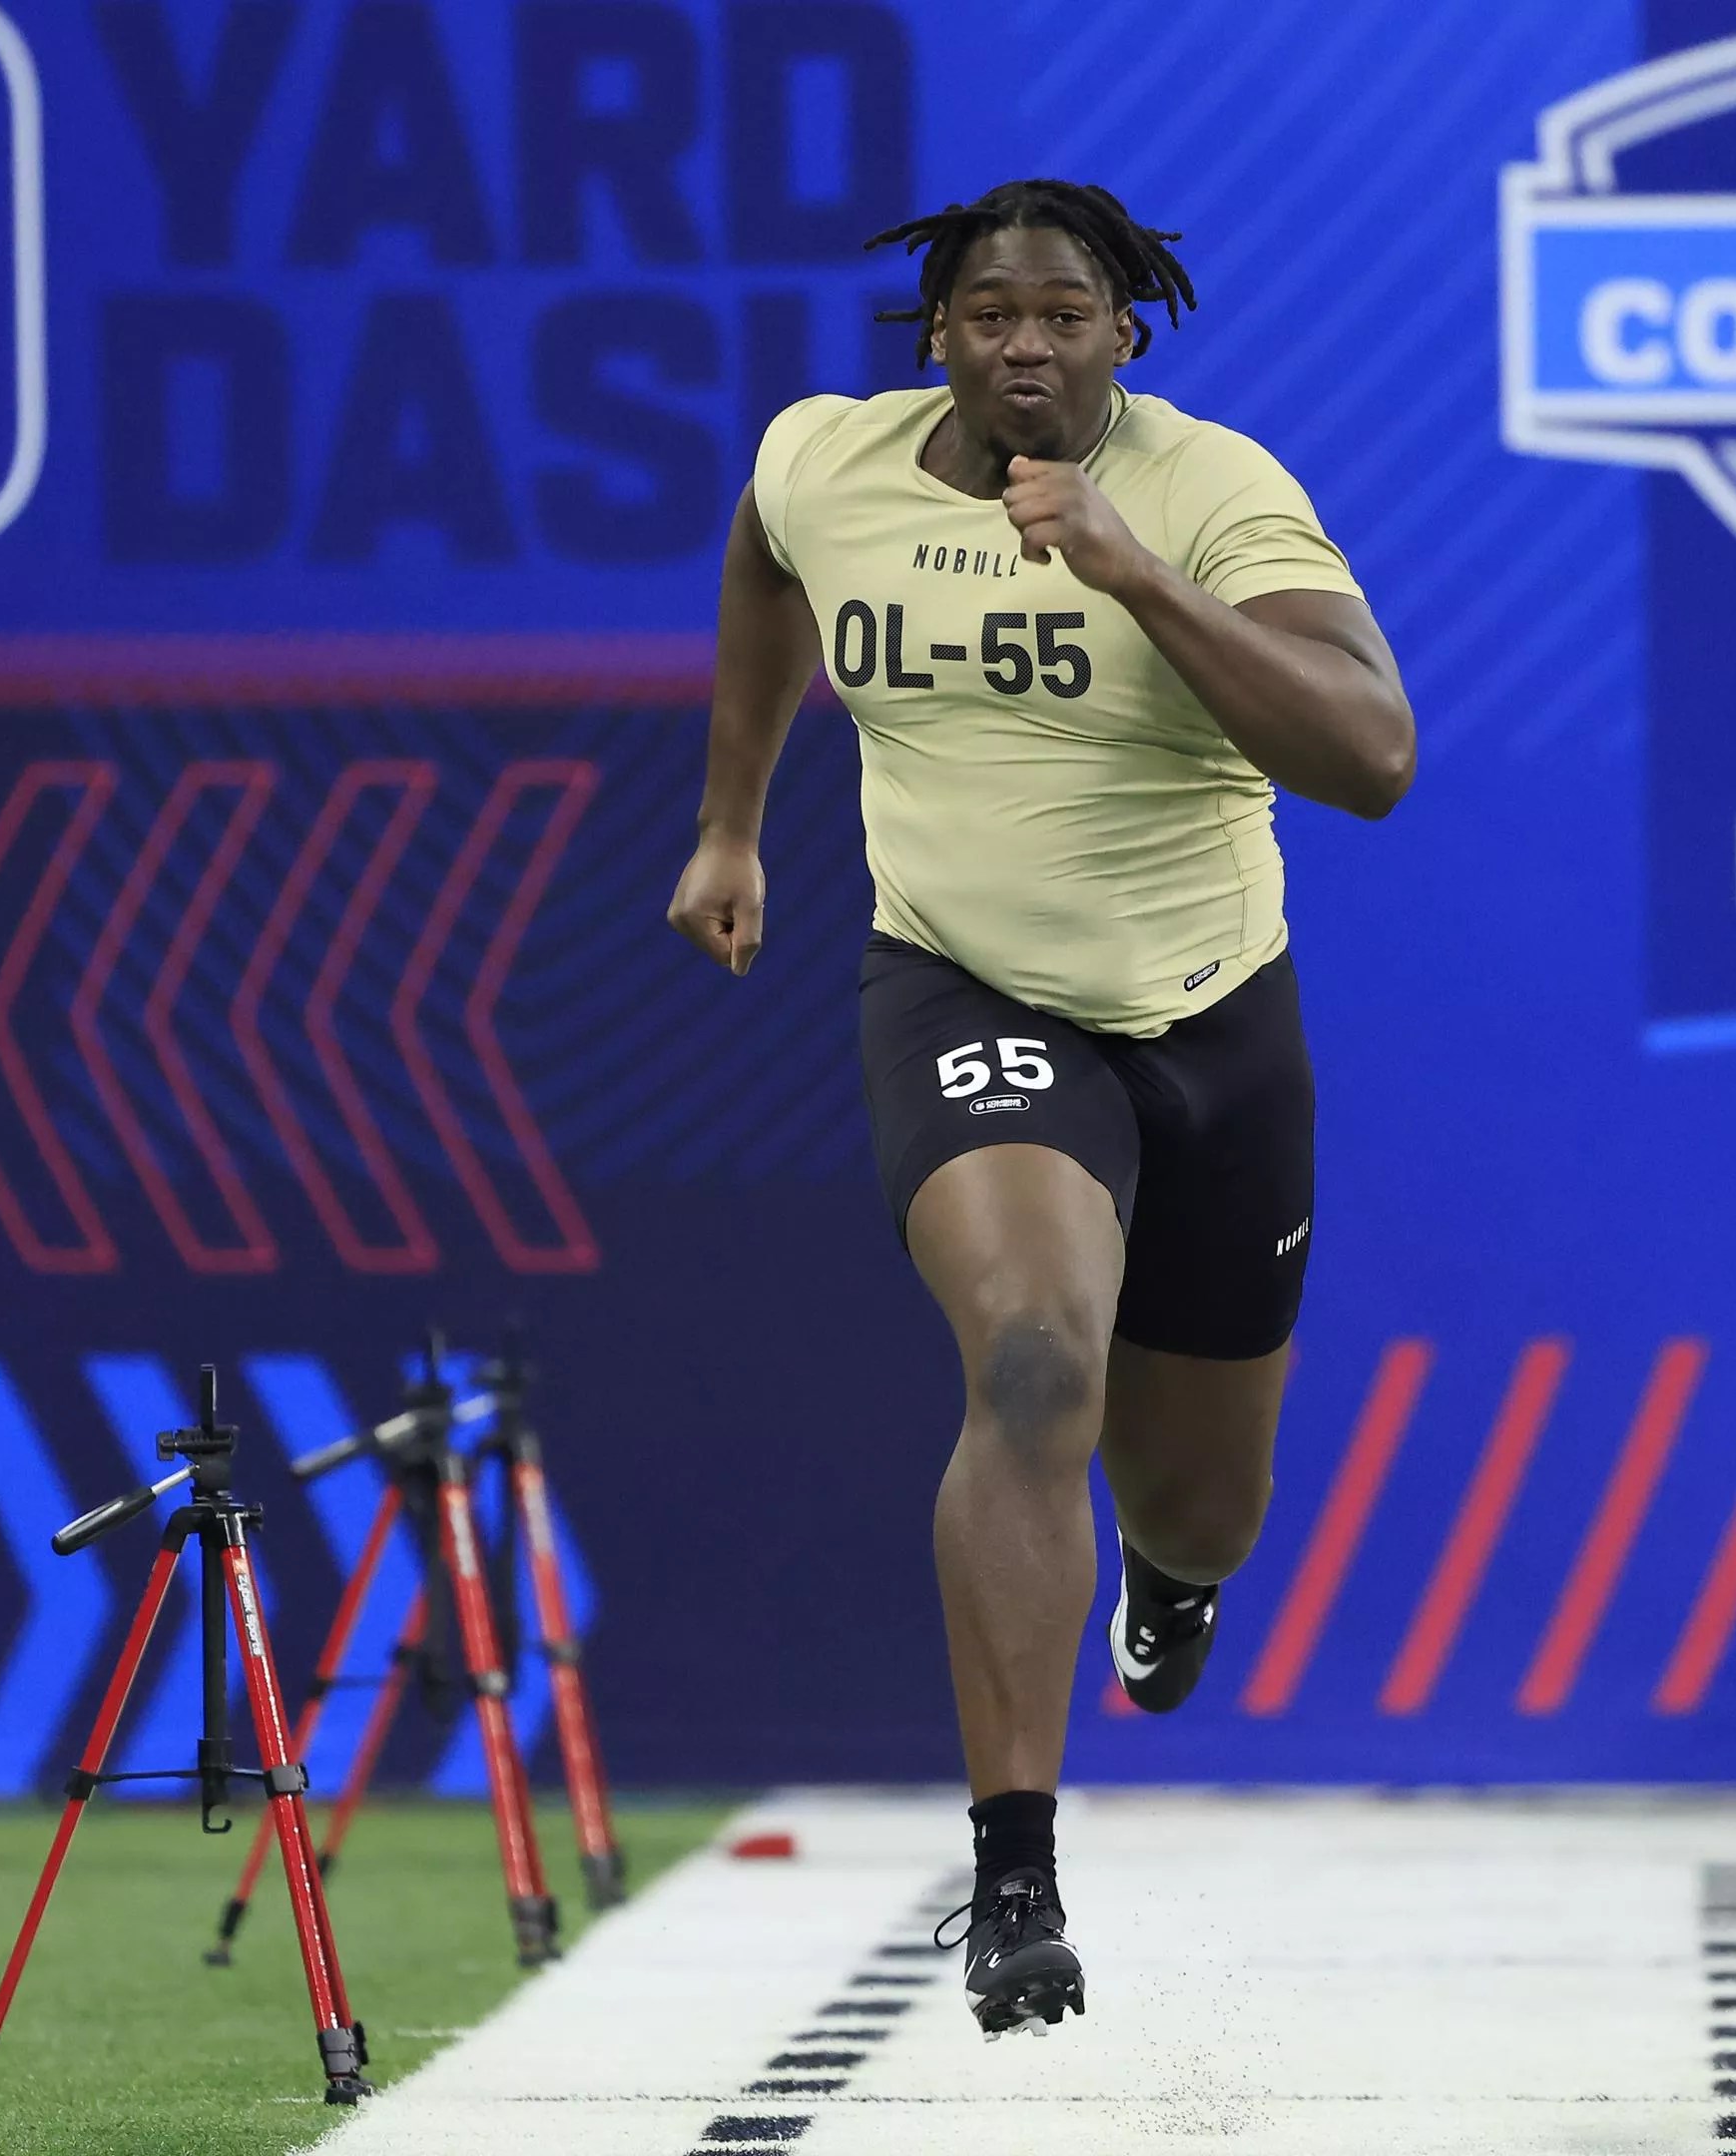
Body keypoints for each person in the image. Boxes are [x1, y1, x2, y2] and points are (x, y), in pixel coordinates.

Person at [667, 179, 1415, 2038]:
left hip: (1208, 1012)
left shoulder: (1211, 490)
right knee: (1024, 1362)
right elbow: (767, 568)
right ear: (939, 331)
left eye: (1064, 314)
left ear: (1120, 336)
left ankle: (1169, 1575)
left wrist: (1135, 574)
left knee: (1202, 1501)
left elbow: (1373, 755)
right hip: (966, 989)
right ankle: (1014, 1875)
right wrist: (733, 819)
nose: (1025, 343)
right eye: (990, 312)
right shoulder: (821, 463)